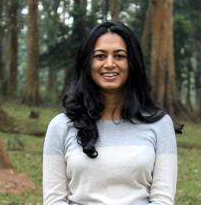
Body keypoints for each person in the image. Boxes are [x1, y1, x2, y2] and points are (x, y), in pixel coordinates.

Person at [43, 21, 177, 205]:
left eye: (120, 56)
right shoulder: (60, 126)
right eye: (100, 56)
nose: (109, 64)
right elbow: (54, 200)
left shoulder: (160, 125)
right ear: (87, 64)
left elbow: (162, 200)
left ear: (132, 63)